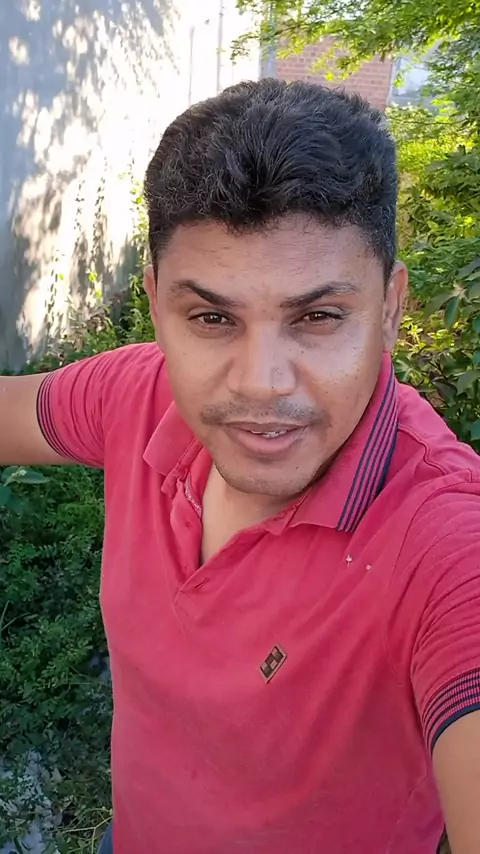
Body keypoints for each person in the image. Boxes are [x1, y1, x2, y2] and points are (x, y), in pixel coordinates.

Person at [1, 78, 479, 854]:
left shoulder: (444, 540)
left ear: (390, 309)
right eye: (212, 318)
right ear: (157, 305)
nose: (261, 383)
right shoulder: (137, 394)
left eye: (318, 317)